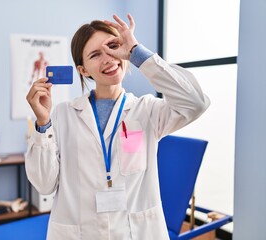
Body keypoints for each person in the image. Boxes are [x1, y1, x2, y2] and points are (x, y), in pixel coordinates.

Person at [25, 14, 210, 240]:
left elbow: (195, 103)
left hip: (135, 232)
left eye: (113, 47)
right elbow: (44, 185)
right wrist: (43, 124)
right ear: (83, 70)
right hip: (81, 232)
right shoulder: (63, 115)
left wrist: (136, 52)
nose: (108, 59)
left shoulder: (148, 111)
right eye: (95, 55)